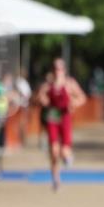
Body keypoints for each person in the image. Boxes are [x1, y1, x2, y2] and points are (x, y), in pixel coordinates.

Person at [36, 58, 87, 191]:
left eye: (59, 68)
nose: (57, 71)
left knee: (64, 152)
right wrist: (43, 100)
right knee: (53, 151)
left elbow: (82, 97)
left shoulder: (70, 84)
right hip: (52, 117)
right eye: (55, 68)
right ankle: (56, 180)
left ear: (64, 70)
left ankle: (67, 156)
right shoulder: (48, 84)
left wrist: (74, 103)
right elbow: (39, 96)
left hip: (65, 117)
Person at [14, 70, 32, 146]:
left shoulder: (23, 82)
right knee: (20, 123)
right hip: (20, 105)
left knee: (23, 123)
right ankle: (19, 140)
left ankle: (22, 140)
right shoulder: (19, 81)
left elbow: (27, 94)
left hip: (23, 105)